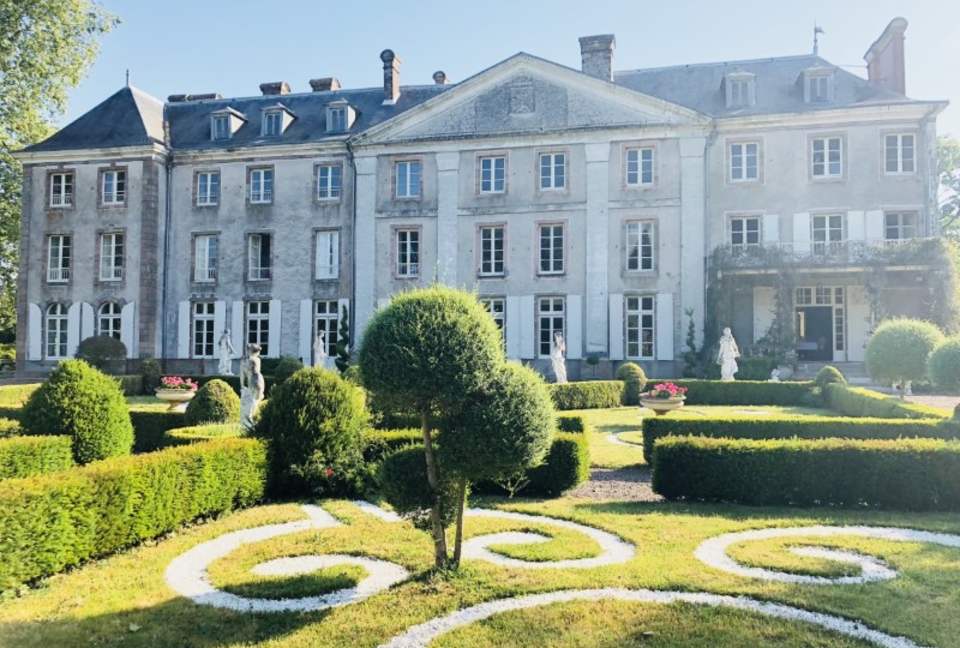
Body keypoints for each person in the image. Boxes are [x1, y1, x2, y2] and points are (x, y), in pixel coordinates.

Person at [239, 343, 265, 430]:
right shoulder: (257, 359)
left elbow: (243, 374)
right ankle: (251, 424)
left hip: (254, 382)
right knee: (254, 404)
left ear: (250, 351)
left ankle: (249, 426)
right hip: (259, 381)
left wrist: (242, 386)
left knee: (251, 405)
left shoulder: (250, 361)